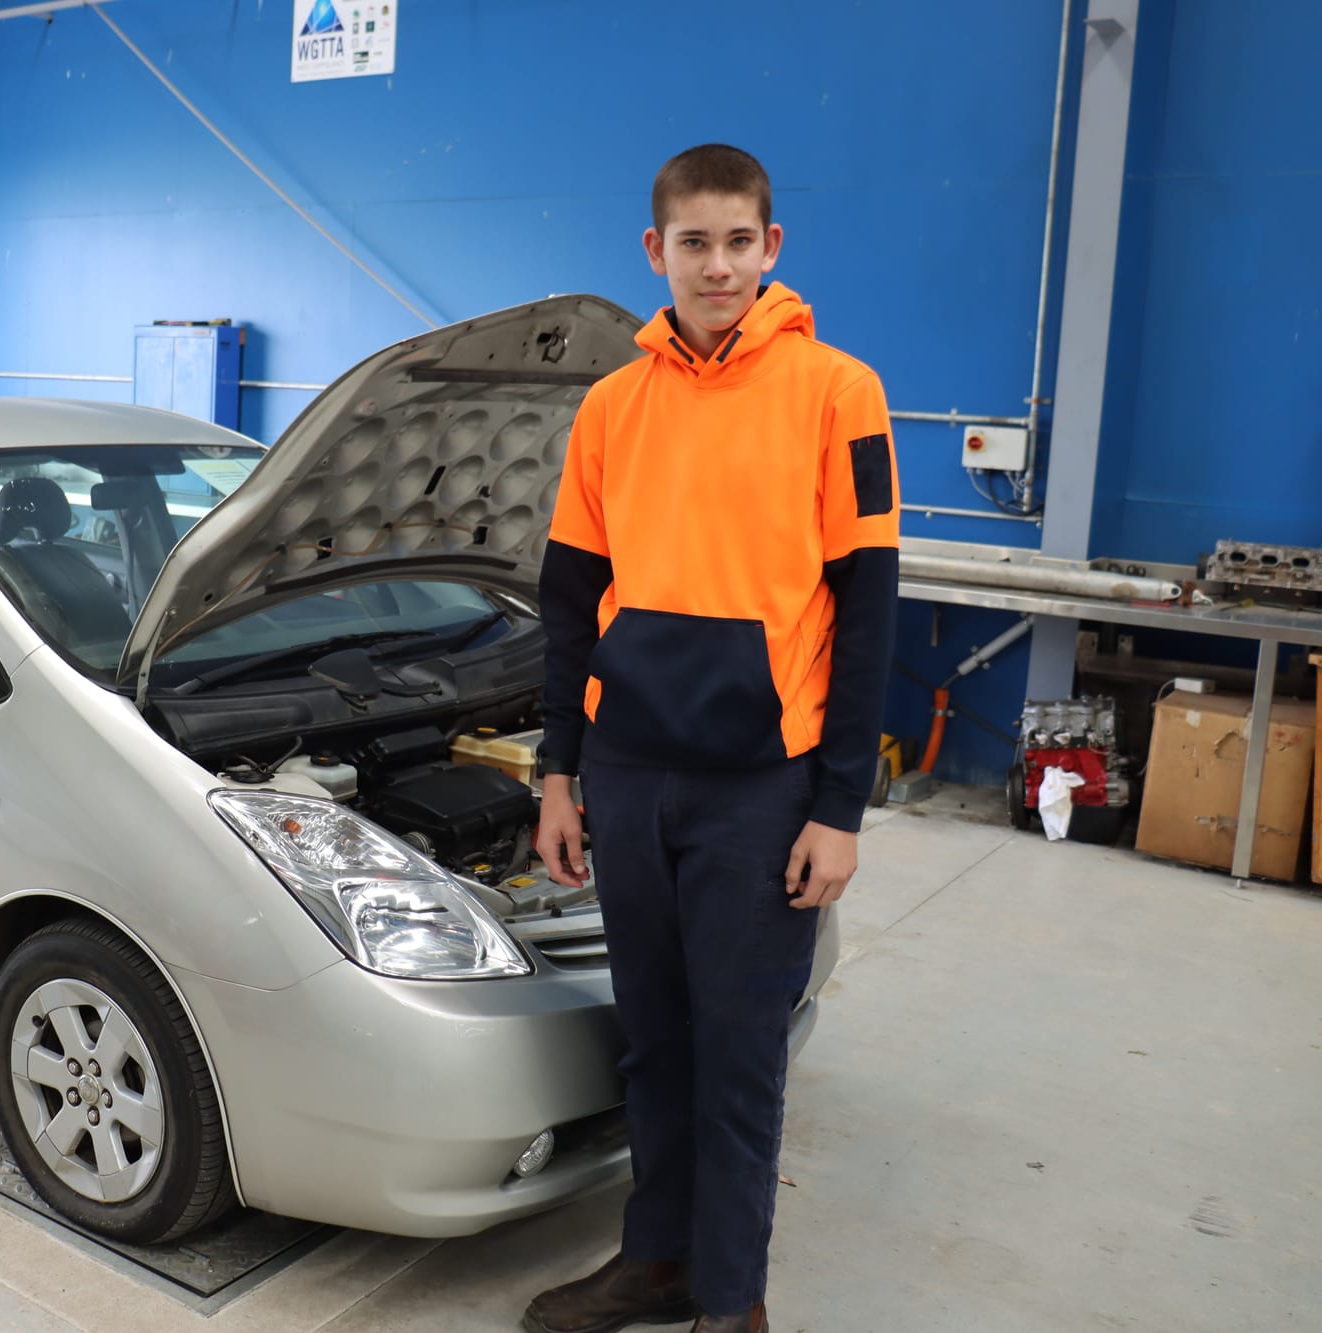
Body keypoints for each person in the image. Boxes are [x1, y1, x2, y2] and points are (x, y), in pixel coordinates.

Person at [521, 144, 900, 1333]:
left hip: (760, 787)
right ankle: (656, 1261)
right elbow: (569, 601)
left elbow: (869, 612)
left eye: (739, 241)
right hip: (627, 772)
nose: (718, 265)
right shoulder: (610, 406)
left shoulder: (837, 393)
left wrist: (837, 807)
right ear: (656, 251)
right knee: (652, 1042)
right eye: (694, 242)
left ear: (770, 247)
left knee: (737, 1057)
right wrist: (556, 773)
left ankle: (730, 1304)